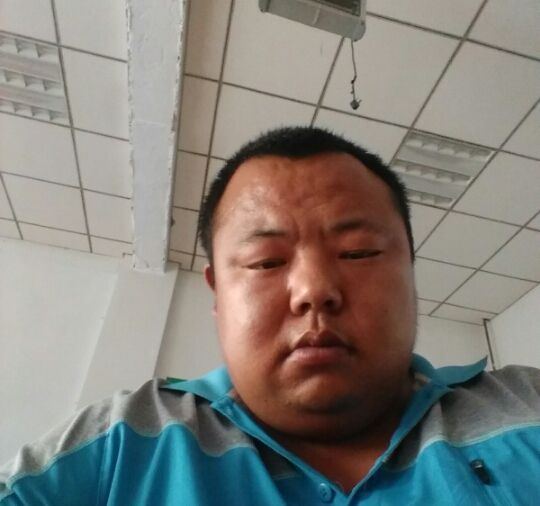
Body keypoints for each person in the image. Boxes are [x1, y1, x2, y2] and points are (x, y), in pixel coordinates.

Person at [1, 127, 539, 505]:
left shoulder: (525, 407)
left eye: (358, 253)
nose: (315, 290)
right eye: (266, 262)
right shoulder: (122, 444)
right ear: (218, 294)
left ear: (410, 273)